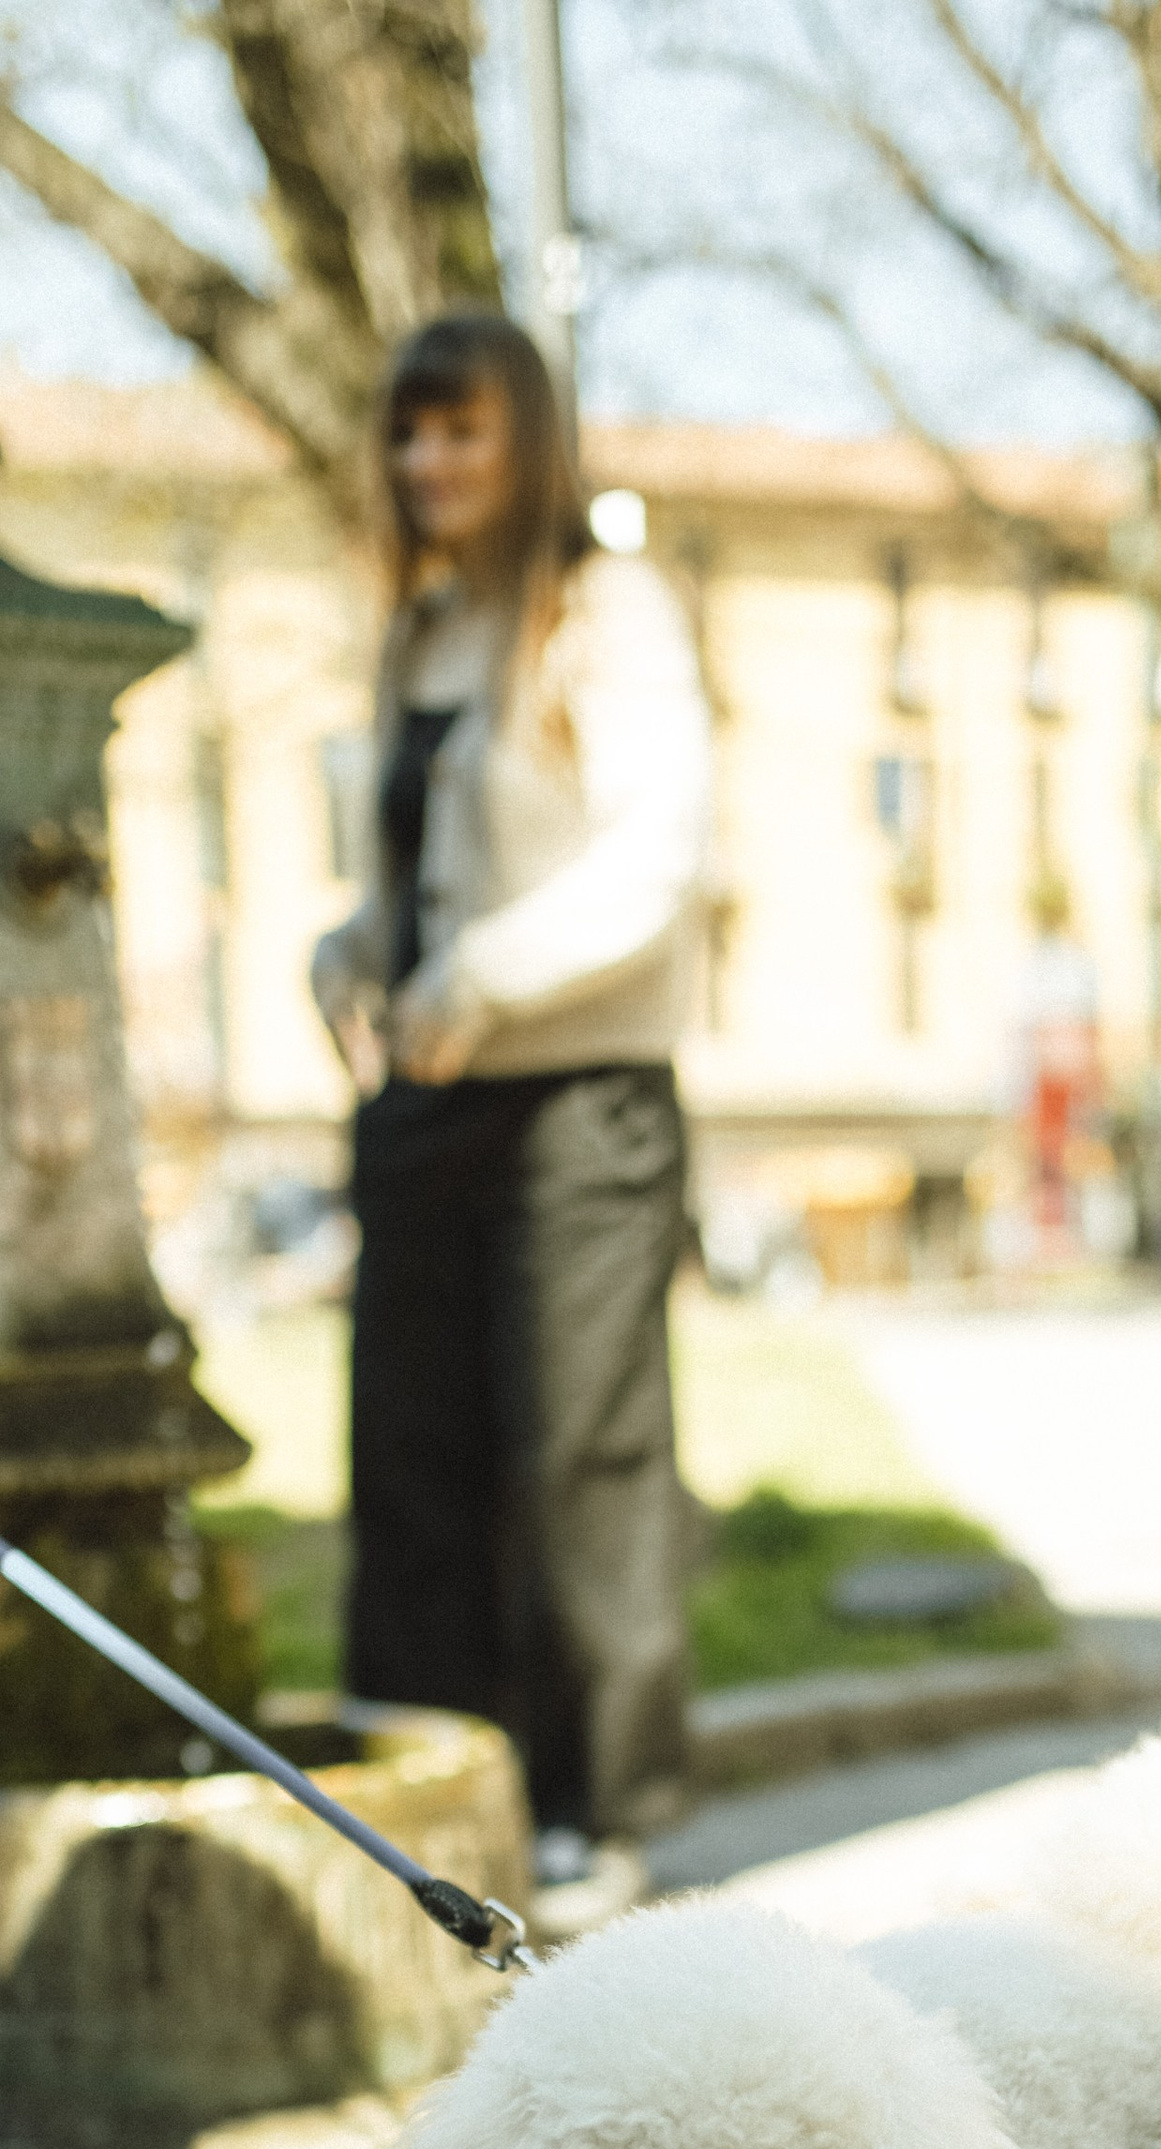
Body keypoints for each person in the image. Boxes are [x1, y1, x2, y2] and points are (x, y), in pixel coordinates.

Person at [311, 313, 712, 1928]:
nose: (431, 465)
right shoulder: (419, 636)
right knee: (409, 1456)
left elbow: (653, 855)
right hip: (426, 1102)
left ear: (526, 440)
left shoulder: (608, 613)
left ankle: (595, 1811)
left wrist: (484, 969)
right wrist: (349, 947)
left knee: (579, 1461)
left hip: (582, 1103)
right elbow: (408, 877)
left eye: (462, 433)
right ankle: (428, 1795)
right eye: (410, 436)